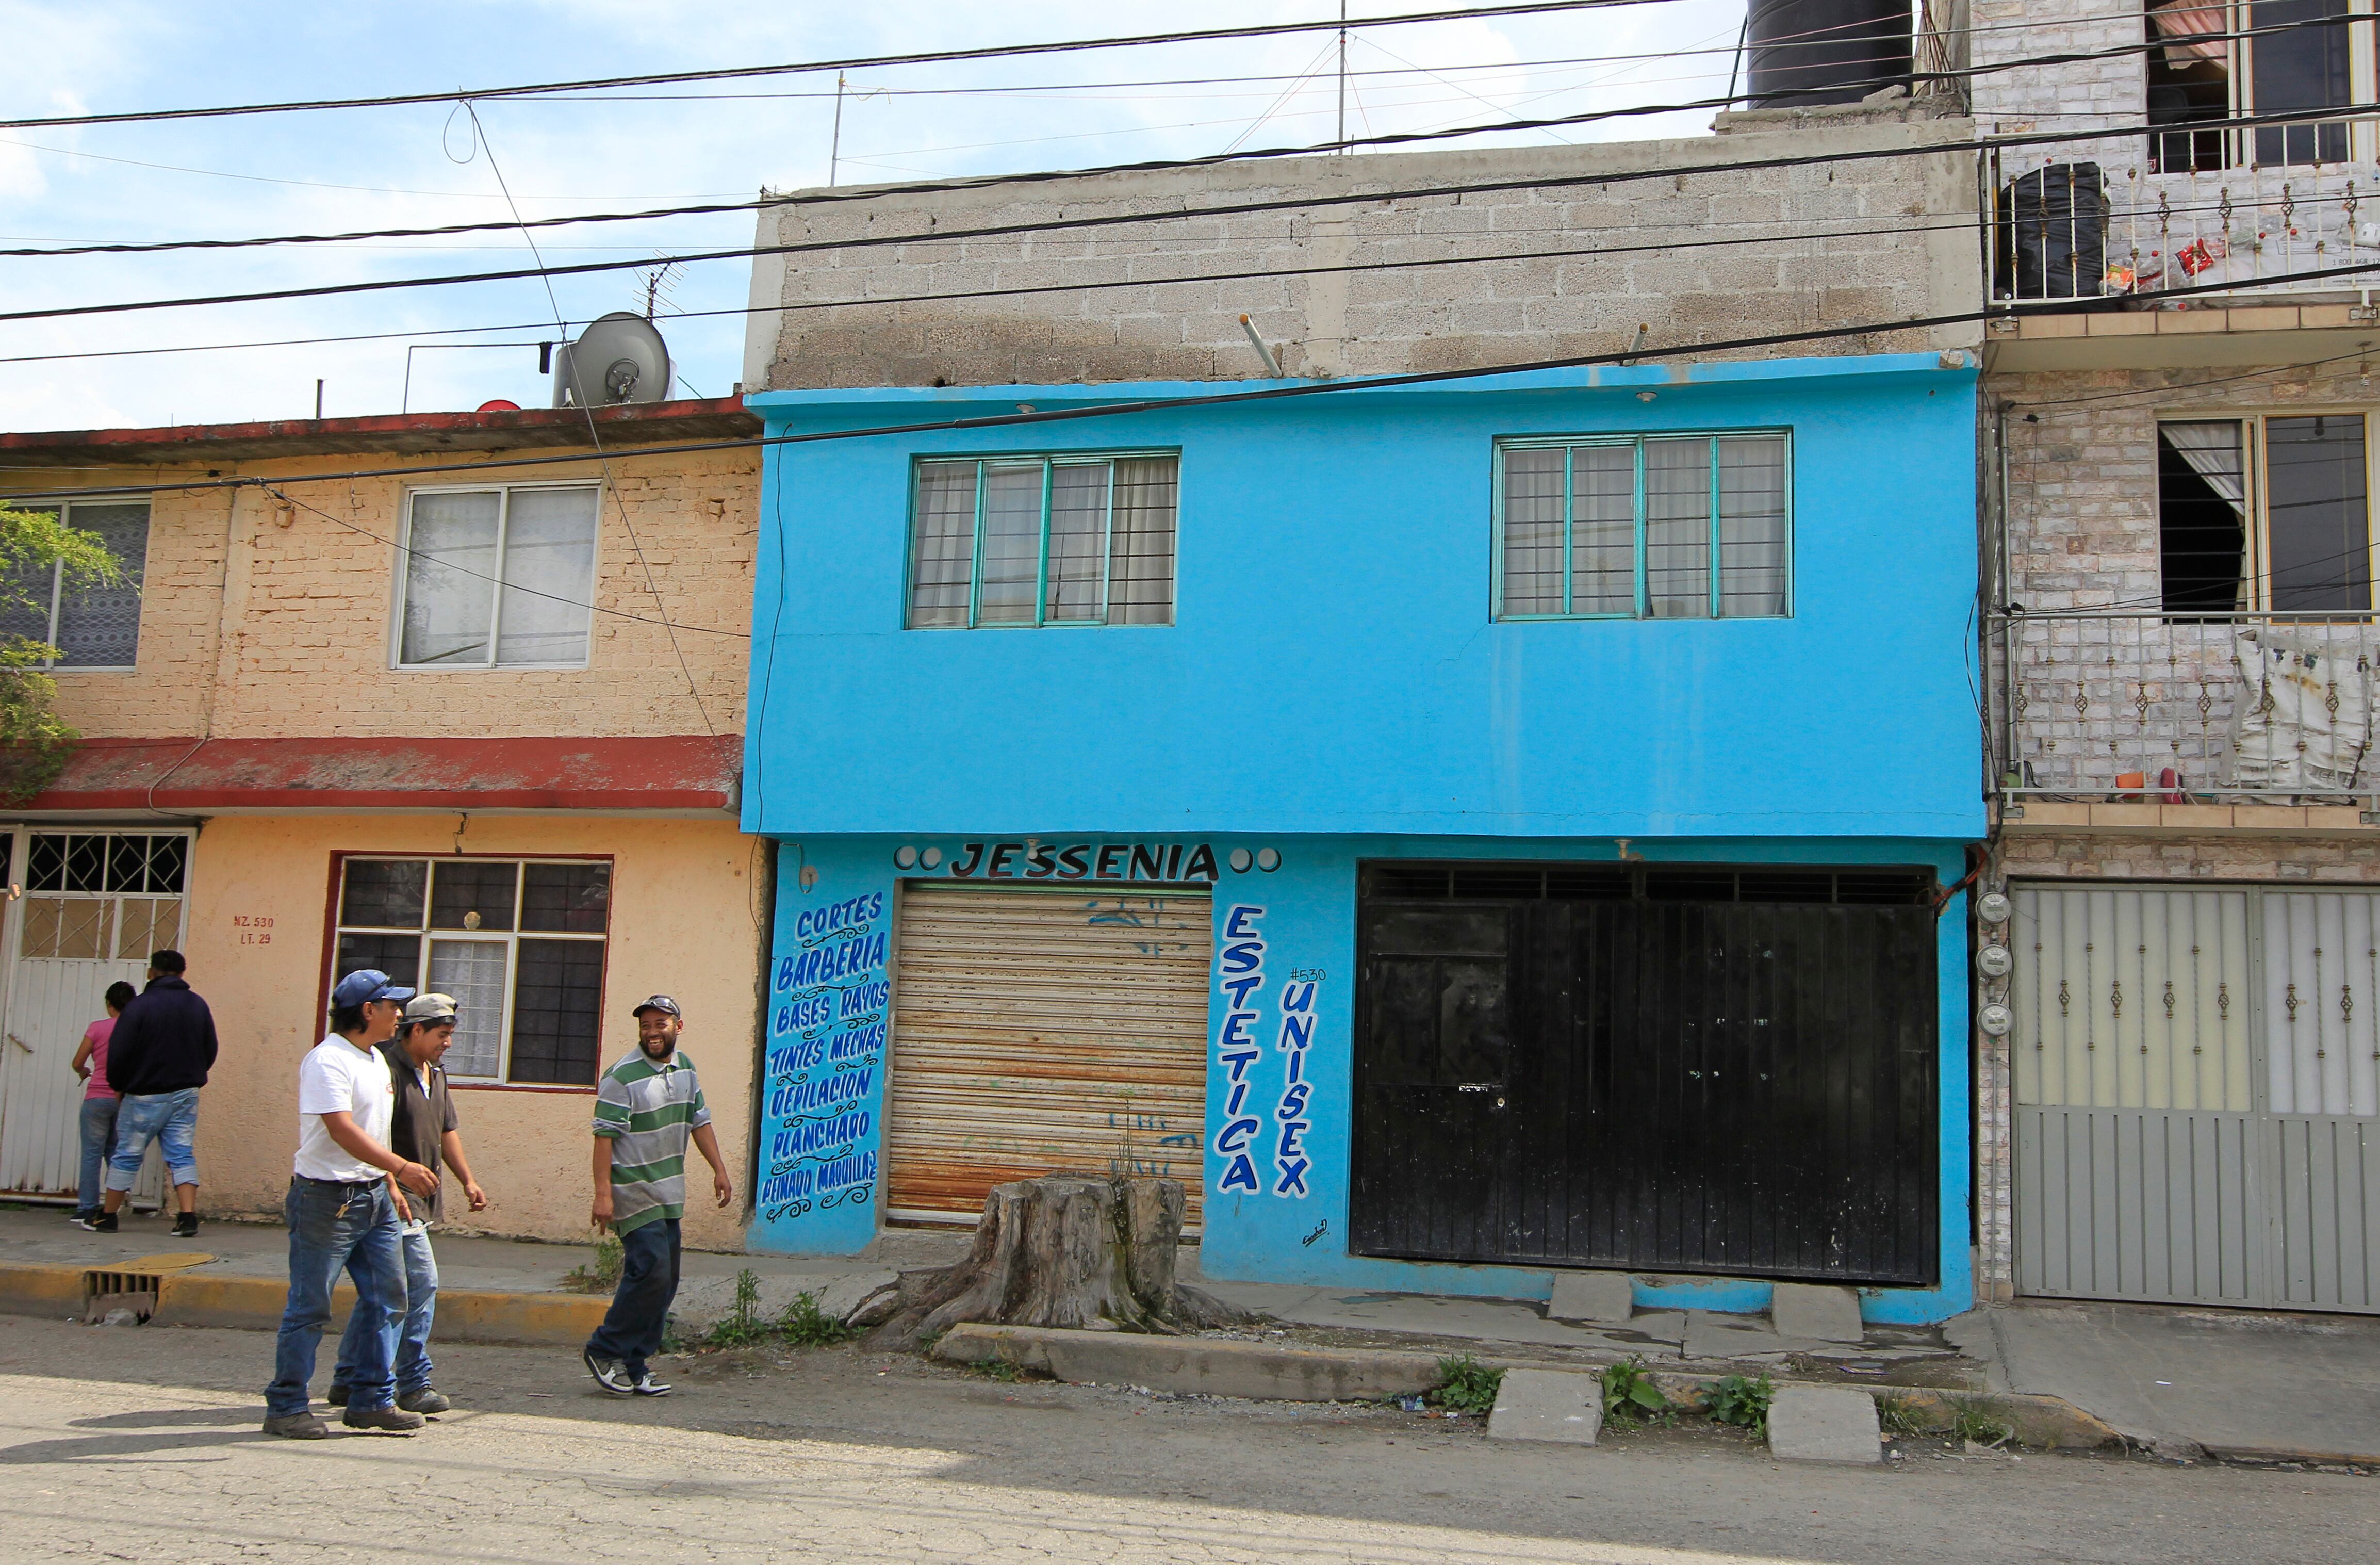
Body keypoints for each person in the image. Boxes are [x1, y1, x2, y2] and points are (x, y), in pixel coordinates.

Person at [261, 969, 440, 1440]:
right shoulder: (327, 1061)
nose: (399, 1014)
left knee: (389, 1298)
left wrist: (390, 1184)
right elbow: (342, 1130)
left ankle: (371, 1400)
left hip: (374, 1197)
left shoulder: (375, 1061)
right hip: (326, 1200)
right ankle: (286, 1406)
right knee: (310, 1307)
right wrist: (401, 1167)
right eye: (392, 1005)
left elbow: (373, 1133)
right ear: (368, 1011)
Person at [326, 992, 487, 1416]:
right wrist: (392, 1182)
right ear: (415, 1030)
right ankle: (412, 1382)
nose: (447, 1043)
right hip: (393, 1197)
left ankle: (348, 1377)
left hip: (420, 1196)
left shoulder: (434, 1072)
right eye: (441, 1034)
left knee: (381, 1294)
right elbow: (368, 1134)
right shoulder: (386, 1070)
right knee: (419, 1284)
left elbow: (446, 1129)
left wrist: (467, 1180)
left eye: (450, 1035)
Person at [582, 996, 732, 1398]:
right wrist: (602, 1196)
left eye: (660, 1024)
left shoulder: (685, 1069)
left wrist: (719, 1169)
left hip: (669, 1190)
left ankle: (635, 1364)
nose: (652, 1032)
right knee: (650, 1271)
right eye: (646, 1025)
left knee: (665, 1282)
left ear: (677, 1028)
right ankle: (604, 1349)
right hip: (632, 1190)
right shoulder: (622, 1076)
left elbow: (699, 1121)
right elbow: (604, 1137)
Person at [97, 950, 218, 1238]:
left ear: (151, 972)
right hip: (186, 1093)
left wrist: (119, 1085)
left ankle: (108, 1216)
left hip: (144, 1095)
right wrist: (194, 1075)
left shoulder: (140, 1007)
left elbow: (120, 1052)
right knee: (181, 1153)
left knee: (127, 1153)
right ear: (181, 973)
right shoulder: (197, 1005)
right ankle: (188, 1217)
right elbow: (210, 1048)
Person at [69, 982, 137, 1229]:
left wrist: (84, 1071)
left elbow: (78, 1062)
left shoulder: (97, 1028)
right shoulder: (136, 1030)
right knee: (117, 1152)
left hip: (97, 1098)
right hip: (125, 1099)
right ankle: (118, 1203)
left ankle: (86, 1208)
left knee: (91, 1154)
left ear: (109, 1005)